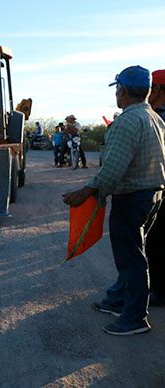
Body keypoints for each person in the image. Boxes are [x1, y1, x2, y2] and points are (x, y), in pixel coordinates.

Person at [62, 65, 165, 336]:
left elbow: (114, 168)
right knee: (134, 251)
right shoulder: (153, 117)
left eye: (118, 89)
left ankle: (134, 318)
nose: (117, 94)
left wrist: (88, 192)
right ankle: (118, 299)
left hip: (133, 197)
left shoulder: (128, 121)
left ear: (123, 90)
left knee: (131, 258)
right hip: (153, 193)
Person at [146, 69, 165, 306]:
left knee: (157, 239)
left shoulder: (156, 118)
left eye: (151, 88)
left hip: (159, 186)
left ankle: (159, 290)